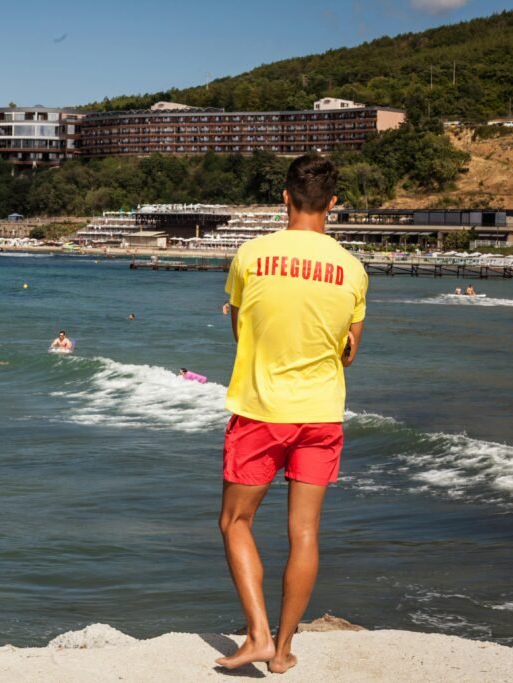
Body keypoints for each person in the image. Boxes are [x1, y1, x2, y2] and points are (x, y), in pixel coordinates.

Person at [217, 154, 367, 674]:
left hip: (260, 410)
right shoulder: (353, 269)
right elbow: (349, 350)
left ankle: (256, 633)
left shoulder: (251, 255)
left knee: (236, 520)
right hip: (322, 414)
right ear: (333, 204)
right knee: (303, 534)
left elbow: (240, 331)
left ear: (284, 197)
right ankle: (282, 652)